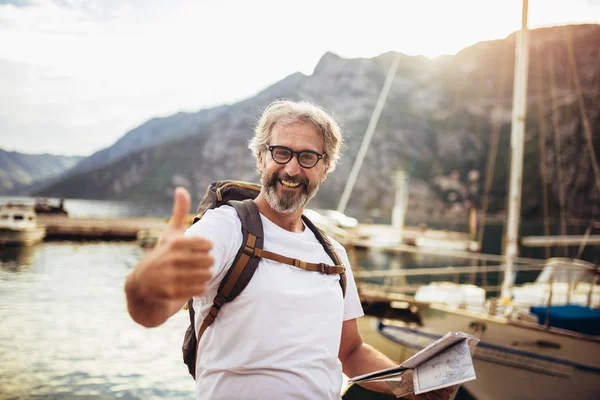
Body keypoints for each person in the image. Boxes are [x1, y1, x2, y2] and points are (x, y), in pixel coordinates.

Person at [125, 100, 455, 400]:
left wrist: (409, 384)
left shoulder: (333, 255)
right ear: (261, 157)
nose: (292, 169)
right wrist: (144, 284)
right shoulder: (225, 228)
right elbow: (152, 310)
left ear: (325, 168)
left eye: (308, 157)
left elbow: (351, 350)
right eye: (281, 152)